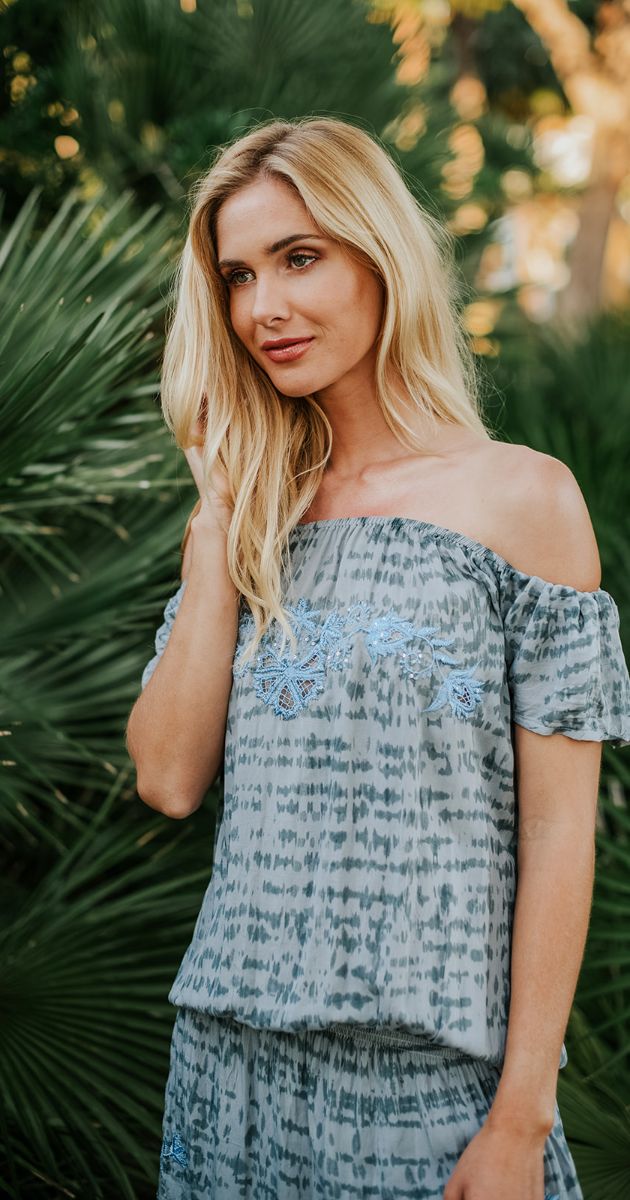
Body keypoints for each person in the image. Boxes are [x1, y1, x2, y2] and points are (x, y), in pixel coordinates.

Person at [125, 115, 630, 1200]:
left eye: (299, 258)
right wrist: (216, 529)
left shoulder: (523, 499)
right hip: (231, 1070)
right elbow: (166, 779)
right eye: (239, 275)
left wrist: (521, 1114)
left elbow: (558, 832)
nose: (263, 307)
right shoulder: (252, 516)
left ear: (379, 255)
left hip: (436, 1085)